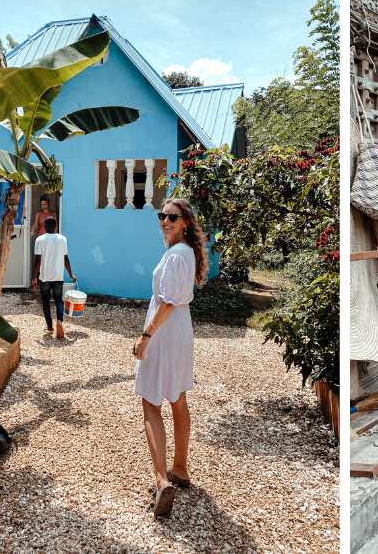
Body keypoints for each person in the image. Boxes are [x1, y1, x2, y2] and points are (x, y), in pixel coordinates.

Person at [132, 198, 209, 516]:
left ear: (185, 222)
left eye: (172, 217)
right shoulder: (186, 252)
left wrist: (145, 336)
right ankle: (181, 468)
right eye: (162, 216)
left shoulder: (177, 254)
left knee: (150, 401)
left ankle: (162, 480)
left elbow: (166, 302)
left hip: (164, 332)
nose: (165, 221)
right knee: (178, 398)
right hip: (180, 332)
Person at [31, 217, 75, 338]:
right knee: (58, 300)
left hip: (45, 277)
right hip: (58, 276)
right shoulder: (62, 239)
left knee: (45, 301)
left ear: (44, 226)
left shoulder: (40, 240)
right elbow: (66, 258)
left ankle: (49, 326)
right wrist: (70, 275)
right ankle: (59, 321)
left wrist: (34, 277)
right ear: (56, 226)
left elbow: (38, 260)